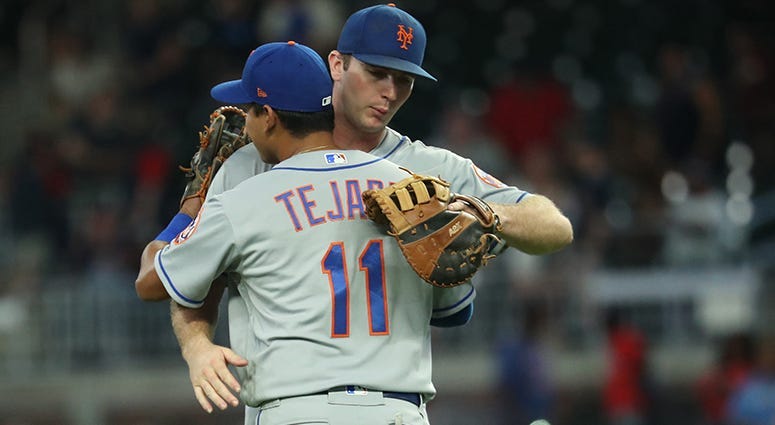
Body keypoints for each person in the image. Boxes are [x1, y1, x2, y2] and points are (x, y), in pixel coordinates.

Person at [159, 3, 572, 423]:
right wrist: (196, 344)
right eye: (376, 73)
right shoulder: (251, 162)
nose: (390, 92)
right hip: (291, 401)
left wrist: (477, 212)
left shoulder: (430, 171)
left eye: (404, 80)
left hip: (394, 405)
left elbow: (555, 226)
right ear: (336, 64)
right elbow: (179, 278)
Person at [137, 39, 479, 424]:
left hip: (297, 409)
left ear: (268, 117)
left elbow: (150, 282)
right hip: (398, 412)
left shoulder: (245, 199)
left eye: (249, 110)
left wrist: (190, 208)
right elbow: (455, 312)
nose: (244, 124)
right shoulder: (404, 187)